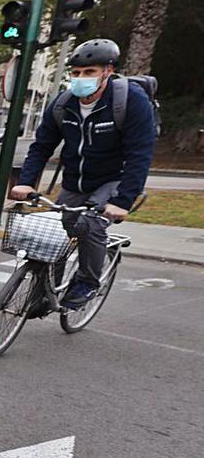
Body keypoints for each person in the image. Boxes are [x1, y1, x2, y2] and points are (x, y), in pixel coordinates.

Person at [11, 38, 156, 309]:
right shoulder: (63, 104)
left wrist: (122, 201)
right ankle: (47, 291)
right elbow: (42, 146)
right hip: (75, 181)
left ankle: (87, 283)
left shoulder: (130, 101)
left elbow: (141, 154)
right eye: (76, 73)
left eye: (89, 72)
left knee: (90, 224)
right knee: (54, 230)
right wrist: (27, 183)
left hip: (114, 179)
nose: (80, 78)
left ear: (108, 72)